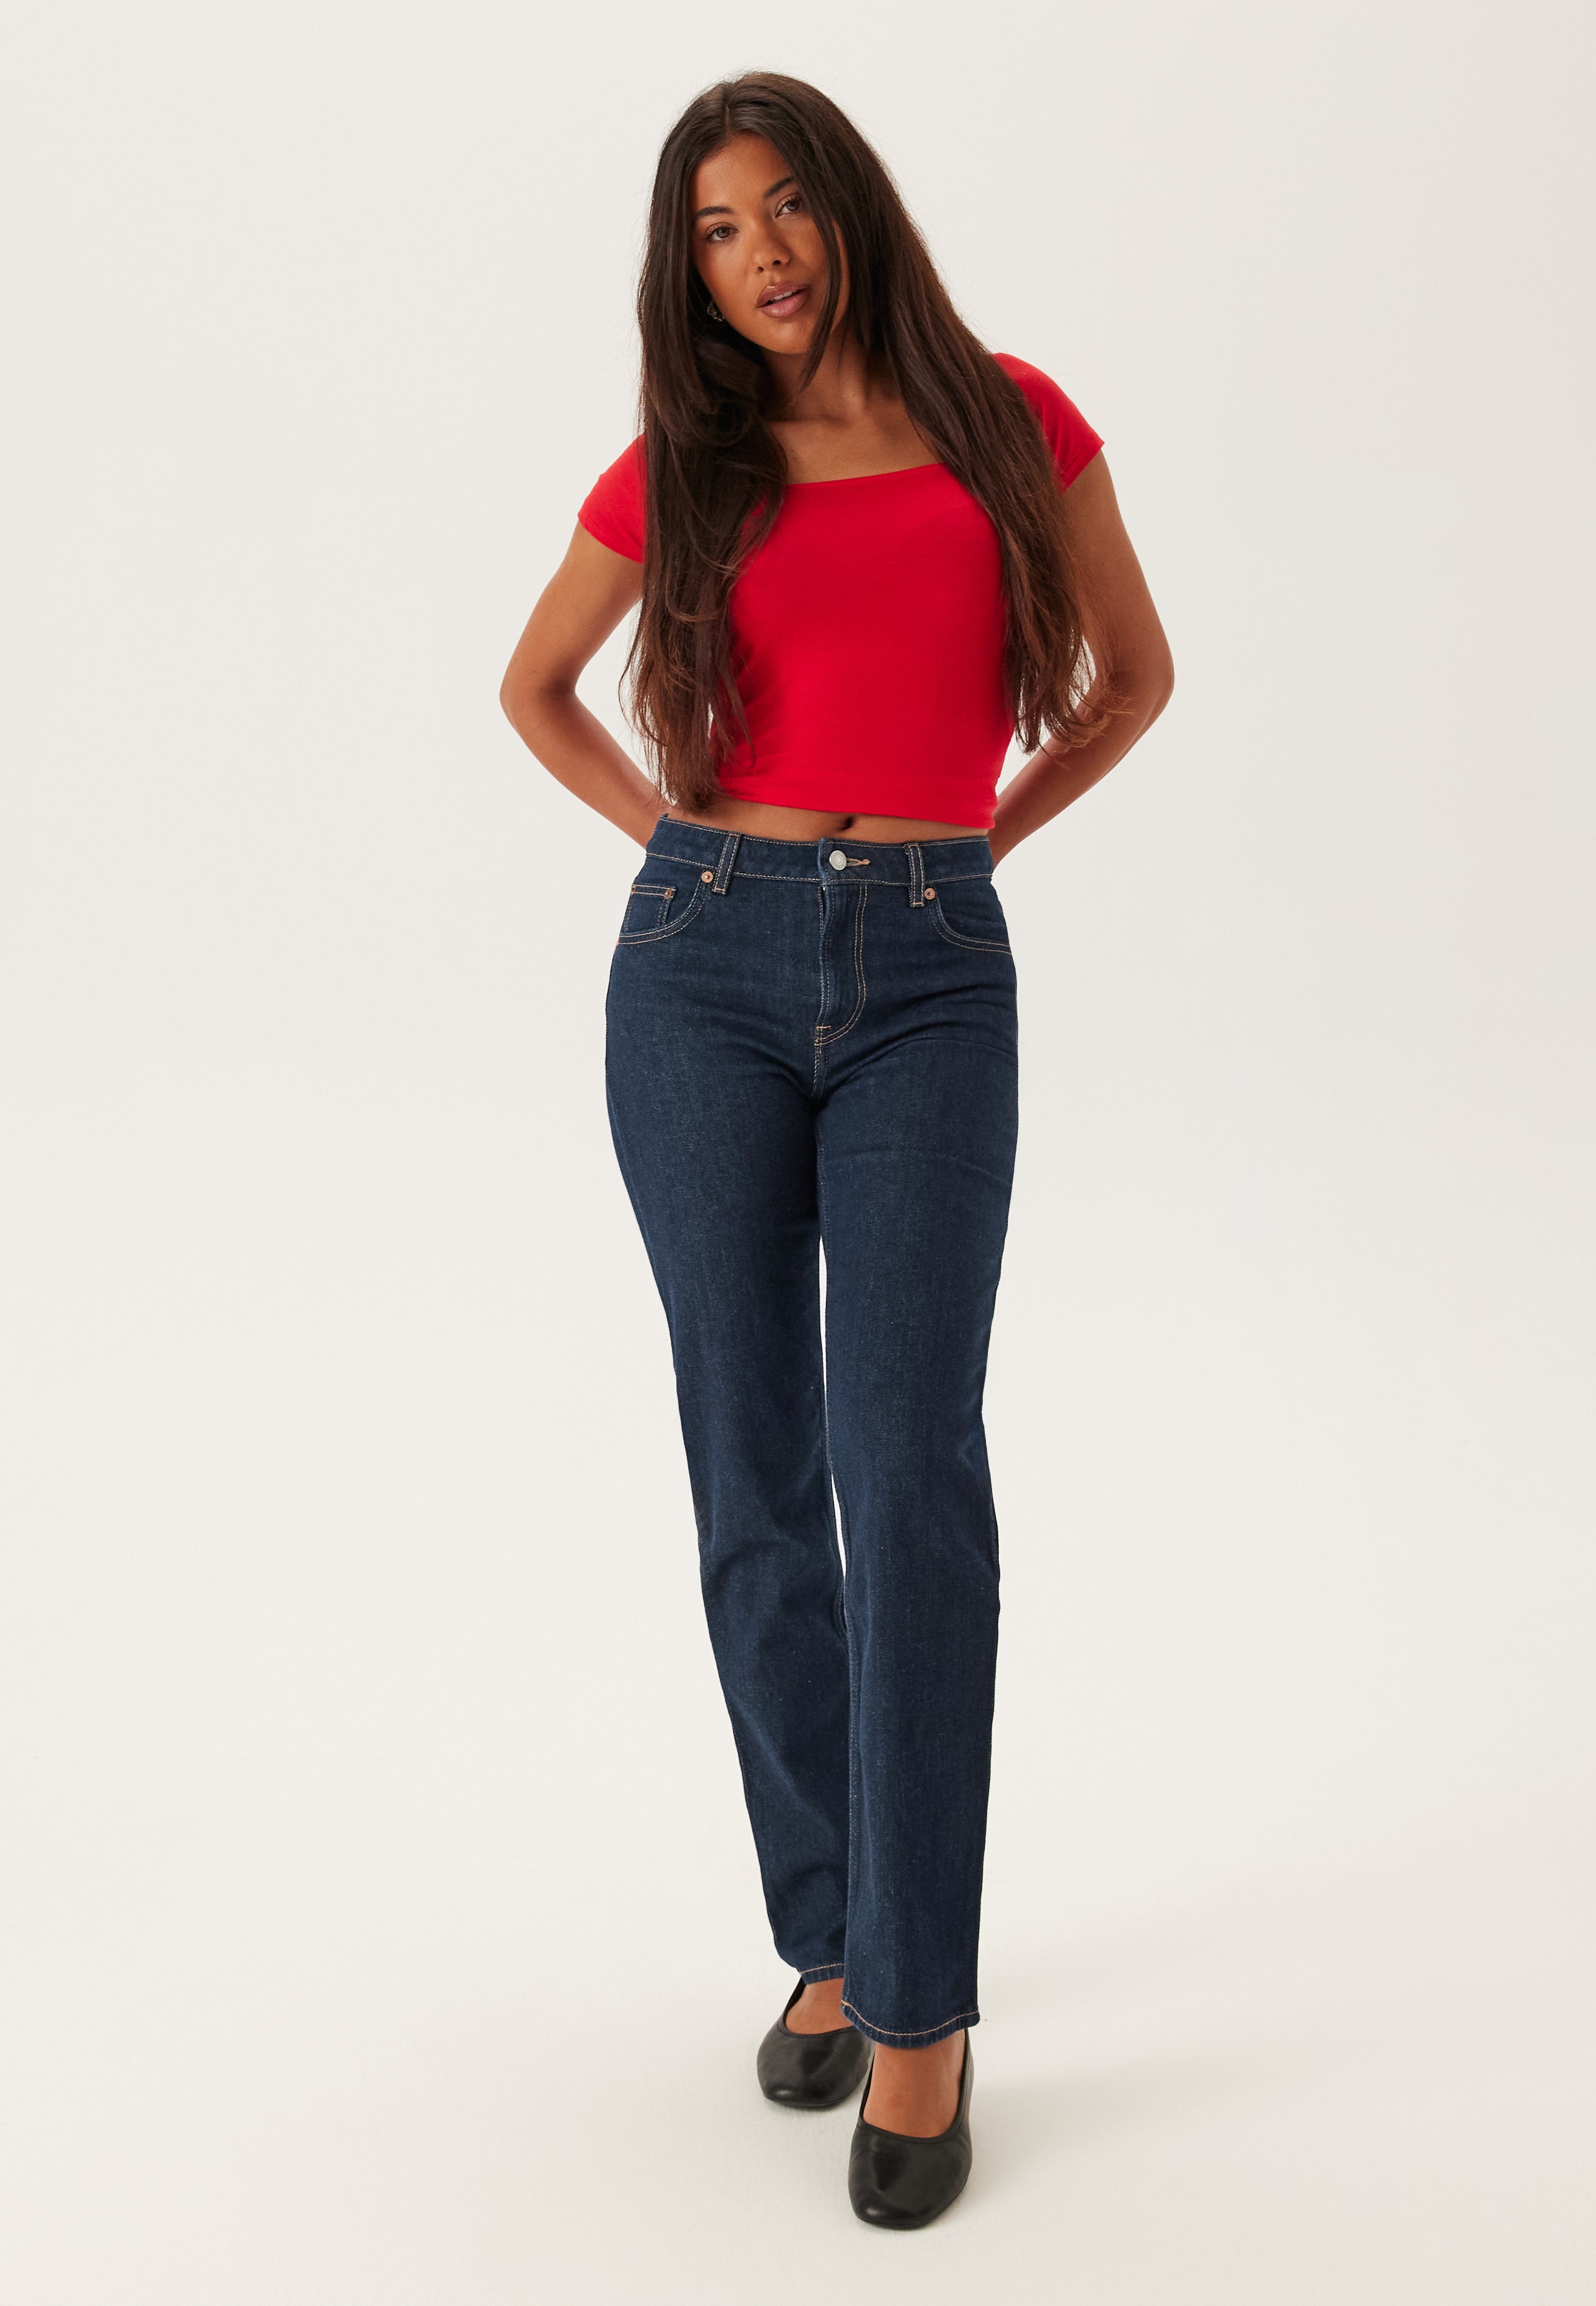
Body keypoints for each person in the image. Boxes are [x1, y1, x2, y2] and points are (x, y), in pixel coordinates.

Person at [499, 70, 1173, 2229]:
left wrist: (965, 857)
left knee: (913, 1466)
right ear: (687, 271)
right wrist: (690, 852)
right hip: (698, 967)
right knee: (756, 1466)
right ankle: (830, 1931)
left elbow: (1133, 678)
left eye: (785, 205)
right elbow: (534, 687)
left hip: (932, 972)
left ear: (850, 207)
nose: (762, 253)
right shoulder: (685, 465)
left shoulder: (1013, 419)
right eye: (715, 229)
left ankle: (920, 2016)